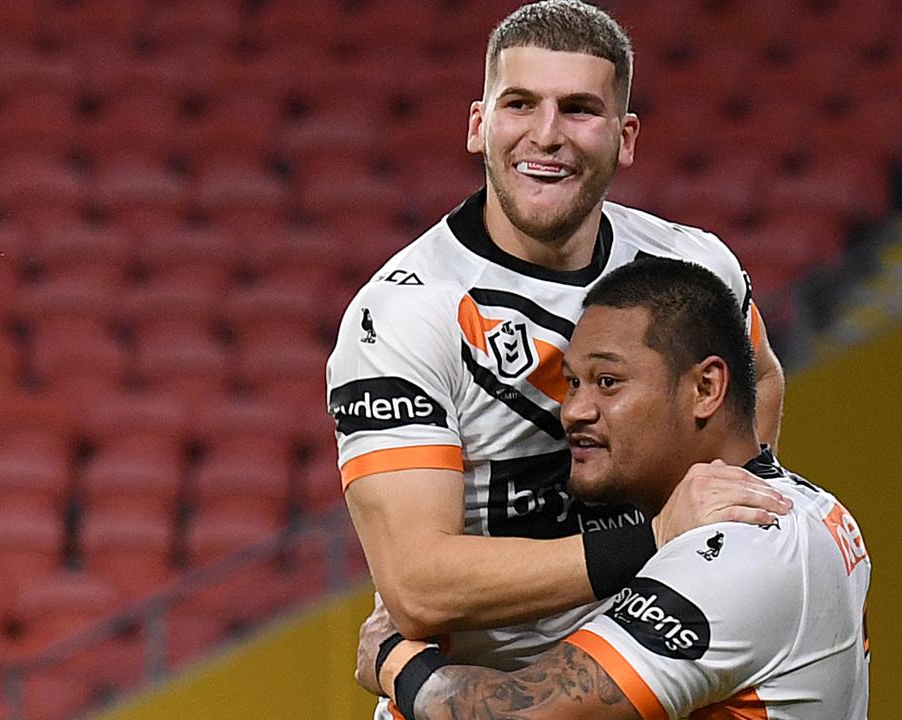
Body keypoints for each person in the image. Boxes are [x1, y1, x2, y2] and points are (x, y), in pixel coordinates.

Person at [326, 0, 789, 713]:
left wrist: (715, 548)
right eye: (520, 104)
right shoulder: (403, 314)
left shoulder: (694, 267)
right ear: (479, 126)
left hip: (638, 687)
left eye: (579, 110)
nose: (547, 136)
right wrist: (657, 536)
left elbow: (758, 379)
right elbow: (417, 586)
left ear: (624, 136)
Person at [359, 257, 871, 720]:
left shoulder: (741, 545)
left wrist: (396, 663)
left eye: (607, 381)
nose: (574, 411)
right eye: (573, 383)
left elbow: (524, 716)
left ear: (705, 388)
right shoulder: (808, 506)